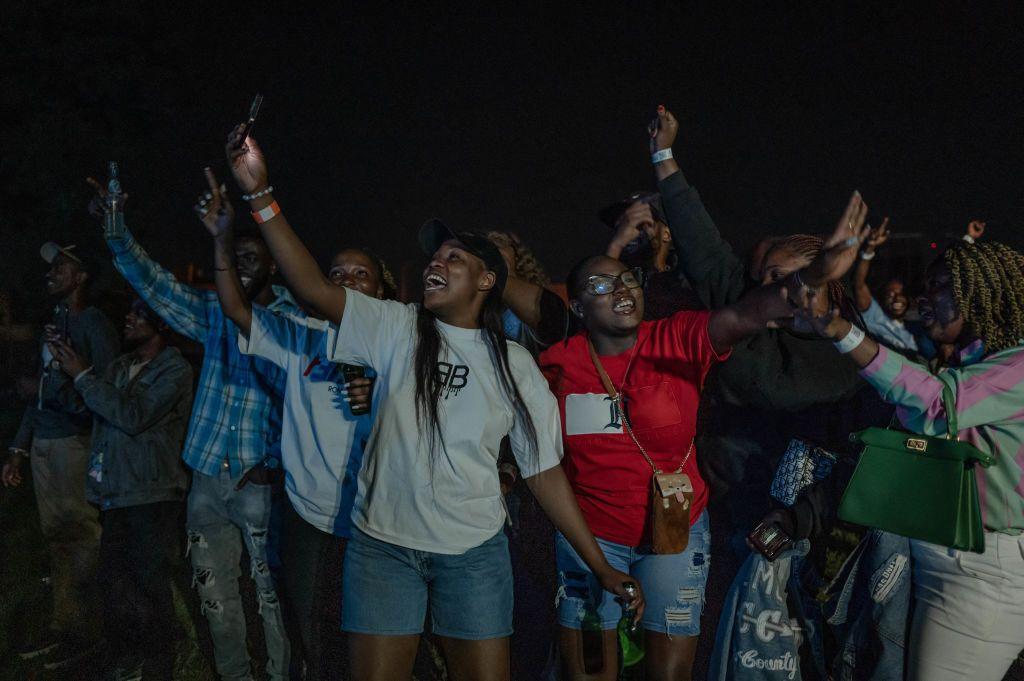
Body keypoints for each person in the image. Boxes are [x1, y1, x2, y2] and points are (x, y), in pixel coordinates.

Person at [223, 123, 643, 681]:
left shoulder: (514, 364)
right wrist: (259, 194)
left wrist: (599, 565)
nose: (435, 265)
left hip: (472, 555)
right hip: (382, 550)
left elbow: (544, 473)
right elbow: (312, 289)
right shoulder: (396, 327)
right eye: (434, 258)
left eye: (455, 259)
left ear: (488, 280)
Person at [536, 149, 867, 679]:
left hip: (701, 531)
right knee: (595, 669)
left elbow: (742, 305)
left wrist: (815, 278)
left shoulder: (685, 335)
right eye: (601, 287)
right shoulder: (558, 363)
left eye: (625, 281)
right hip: (606, 534)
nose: (619, 290)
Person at [89, 175, 295, 681]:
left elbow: (303, 410)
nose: (241, 266)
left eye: (252, 259)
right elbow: (155, 283)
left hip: (259, 480)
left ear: (273, 264)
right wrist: (116, 227)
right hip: (206, 479)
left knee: (272, 597)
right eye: (234, 257)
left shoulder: (291, 318)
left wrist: (273, 462)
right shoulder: (215, 315)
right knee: (215, 596)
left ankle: (281, 673)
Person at [195, 168, 391, 680]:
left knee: (375, 633)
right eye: (336, 273)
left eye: (360, 274)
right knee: (312, 628)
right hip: (308, 517)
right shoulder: (301, 336)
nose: (346, 281)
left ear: (383, 289)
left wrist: (384, 393)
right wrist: (220, 241)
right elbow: (236, 307)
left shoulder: (401, 342)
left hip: (377, 518)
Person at [800, 239, 1024, 681]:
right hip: (937, 552)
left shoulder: (1016, 365)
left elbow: (937, 406)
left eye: (940, 286)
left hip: (980, 572)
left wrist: (840, 329)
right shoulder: (966, 363)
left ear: (978, 293)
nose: (925, 297)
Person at [47, 297, 192, 680]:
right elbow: (83, 407)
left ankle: (160, 662)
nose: (127, 317)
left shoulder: (173, 368)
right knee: (114, 584)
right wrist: (61, 365)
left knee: (149, 583)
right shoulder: (119, 366)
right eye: (128, 310)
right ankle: (126, 657)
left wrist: (83, 377)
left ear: (162, 325)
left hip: (152, 492)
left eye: (139, 313)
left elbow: (133, 415)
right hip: (114, 492)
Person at [2, 241, 119, 670]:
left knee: (82, 538)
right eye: (51, 268)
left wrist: (58, 396)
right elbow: (41, 395)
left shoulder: (93, 324)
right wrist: (19, 447)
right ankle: (65, 624)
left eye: (61, 268)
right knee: (58, 540)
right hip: (47, 445)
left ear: (82, 277)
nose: (51, 274)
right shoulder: (58, 320)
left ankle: (91, 630)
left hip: (75, 444)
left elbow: (105, 394)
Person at [601, 191, 702, 318]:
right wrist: (615, 246)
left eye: (639, 222)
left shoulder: (687, 280)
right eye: (622, 224)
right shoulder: (615, 276)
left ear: (666, 234)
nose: (627, 230)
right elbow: (597, 312)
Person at [852, 217, 934, 358]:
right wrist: (870, 247)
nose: (896, 298)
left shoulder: (915, 325)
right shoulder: (875, 316)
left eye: (900, 293)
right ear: (882, 299)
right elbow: (858, 285)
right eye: (890, 294)